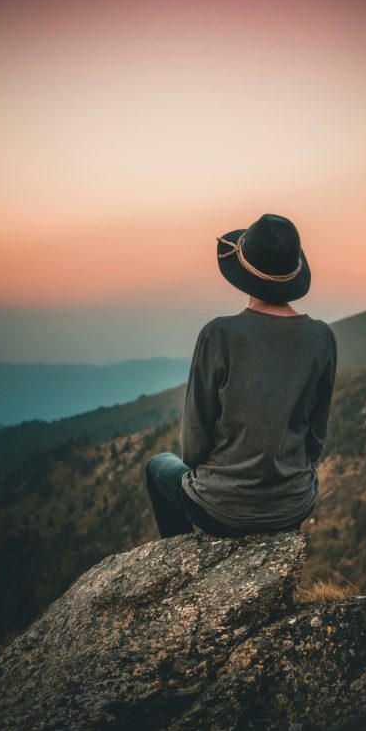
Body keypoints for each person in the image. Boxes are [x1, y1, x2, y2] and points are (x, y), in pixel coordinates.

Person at [145, 212, 338, 538]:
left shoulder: (219, 334)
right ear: (294, 273)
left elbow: (193, 445)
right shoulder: (322, 338)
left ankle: (179, 562)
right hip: (293, 506)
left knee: (157, 466)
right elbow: (315, 441)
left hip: (222, 509)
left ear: (245, 273)